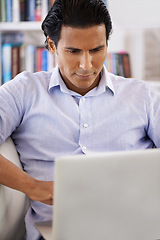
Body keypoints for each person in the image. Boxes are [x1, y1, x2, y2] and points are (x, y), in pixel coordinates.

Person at [0, 0, 160, 239]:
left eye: (97, 50)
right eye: (73, 51)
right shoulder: (24, 91)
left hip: (135, 230)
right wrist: (31, 186)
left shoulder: (143, 96)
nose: (86, 65)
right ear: (52, 46)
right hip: (55, 233)